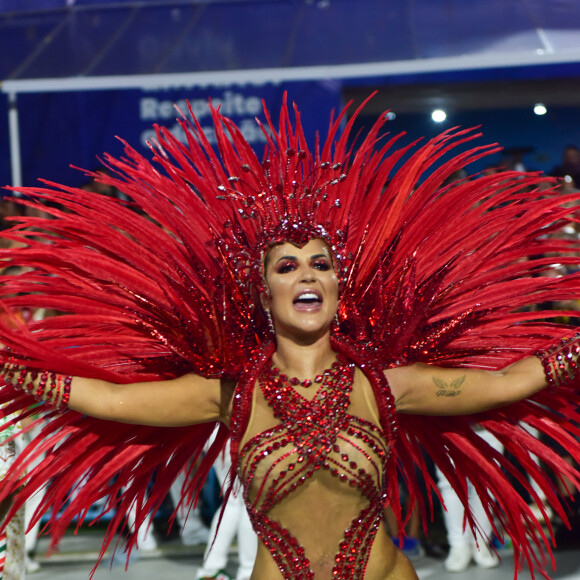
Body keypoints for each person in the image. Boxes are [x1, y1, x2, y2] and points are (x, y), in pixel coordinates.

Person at [1, 98, 580, 579]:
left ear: (337, 287)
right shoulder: (233, 394)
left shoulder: (384, 386)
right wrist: (11, 371)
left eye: (320, 264)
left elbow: (509, 381)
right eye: (286, 267)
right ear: (262, 295)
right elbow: (110, 400)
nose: (307, 273)